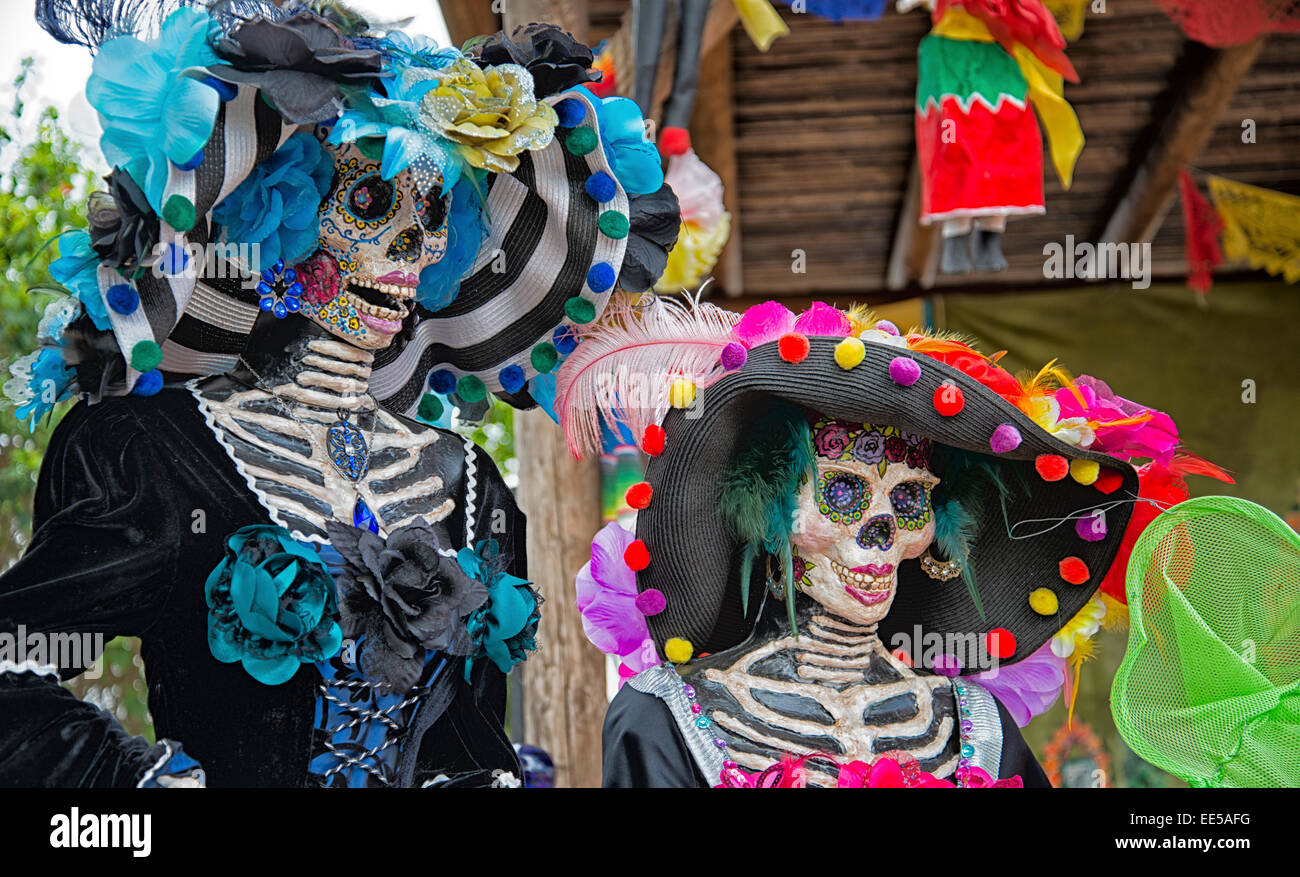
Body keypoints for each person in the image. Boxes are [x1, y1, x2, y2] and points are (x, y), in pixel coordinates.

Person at [0, 1, 676, 787]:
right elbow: (18, 663)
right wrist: (136, 787)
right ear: (281, 208)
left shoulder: (473, 490)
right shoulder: (153, 455)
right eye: (368, 202)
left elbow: (470, 735)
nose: (413, 252)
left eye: (432, 215)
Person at [560, 297, 1227, 787]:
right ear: (769, 509)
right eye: (845, 491)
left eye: (909, 498)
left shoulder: (976, 725)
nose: (880, 531)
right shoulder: (668, 718)